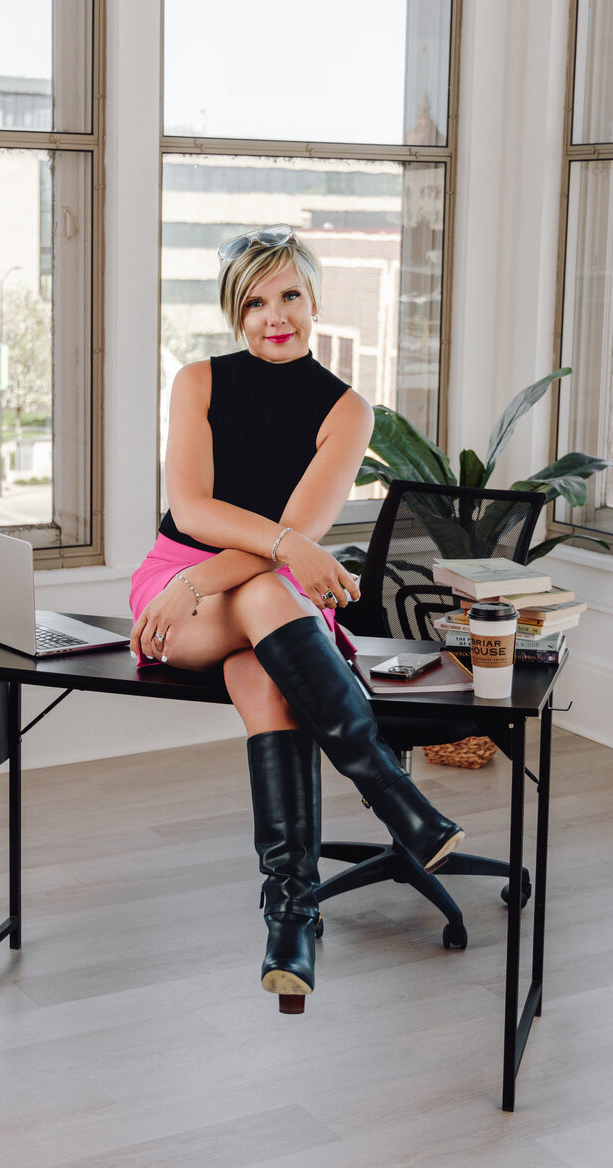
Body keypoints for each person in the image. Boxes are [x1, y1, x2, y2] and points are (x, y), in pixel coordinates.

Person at [130, 224, 464, 1013]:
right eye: (254, 301)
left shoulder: (348, 411)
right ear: (233, 312)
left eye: (289, 296)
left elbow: (296, 542)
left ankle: (292, 918)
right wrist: (246, 561)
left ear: (314, 299)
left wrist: (272, 554)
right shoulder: (198, 382)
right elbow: (195, 507)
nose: (273, 316)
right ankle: (390, 793)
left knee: (268, 683)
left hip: (261, 594)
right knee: (267, 591)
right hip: (184, 588)